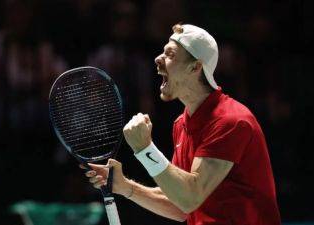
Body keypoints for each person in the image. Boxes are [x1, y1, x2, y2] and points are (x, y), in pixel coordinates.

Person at [85, 24, 281, 225]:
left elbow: (189, 199)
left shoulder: (231, 121)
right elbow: (180, 206)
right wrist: (125, 187)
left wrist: (145, 150)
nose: (157, 59)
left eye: (170, 54)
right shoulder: (181, 124)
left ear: (195, 67)